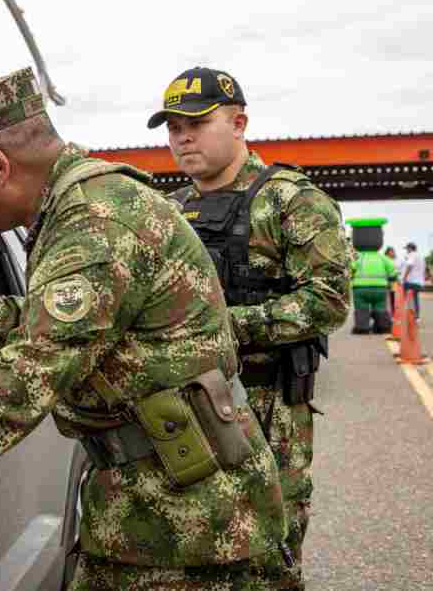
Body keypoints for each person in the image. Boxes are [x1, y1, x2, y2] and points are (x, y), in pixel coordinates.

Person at [0, 67, 289, 589]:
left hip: (195, 534)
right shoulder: (82, 207)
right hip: (157, 507)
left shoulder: (94, 226)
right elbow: (51, 311)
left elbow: (7, 402)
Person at [149, 66, 353, 589]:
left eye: (196, 122)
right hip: (188, 411)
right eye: (172, 127)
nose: (182, 137)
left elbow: (328, 300)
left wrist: (225, 328)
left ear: (239, 123)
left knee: (269, 555)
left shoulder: (290, 199)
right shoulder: (170, 212)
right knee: (191, 552)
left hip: (268, 409)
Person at [401, 242, 424, 321]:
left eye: (407, 248)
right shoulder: (421, 257)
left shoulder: (412, 255)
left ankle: (403, 311)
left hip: (411, 281)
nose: (406, 250)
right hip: (419, 283)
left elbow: (410, 265)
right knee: (415, 298)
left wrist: (404, 277)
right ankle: (417, 317)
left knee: (401, 293)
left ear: (410, 248)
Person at [385, 247, 400, 316]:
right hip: (385, 280)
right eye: (390, 251)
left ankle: (392, 312)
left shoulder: (395, 261)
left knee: (392, 296)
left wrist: (398, 279)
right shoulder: (384, 259)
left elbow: (396, 271)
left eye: (392, 251)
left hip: (393, 280)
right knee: (385, 297)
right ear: (387, 252)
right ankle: (385, 312)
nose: (392, 253)